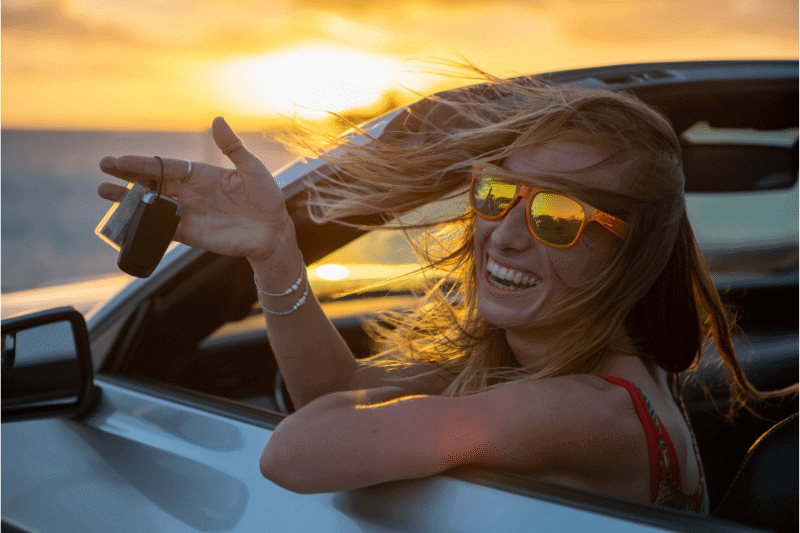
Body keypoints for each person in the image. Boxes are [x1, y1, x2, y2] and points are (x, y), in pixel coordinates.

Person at [97, 70, 794, 512]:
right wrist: (275, 249)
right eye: (496, 194)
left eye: (559, 217)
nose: (508, 235)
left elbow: (295, 450)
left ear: (633, 255)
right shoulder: (570, 374)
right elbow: (334, 390)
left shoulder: (583, 412)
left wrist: (406, 398)